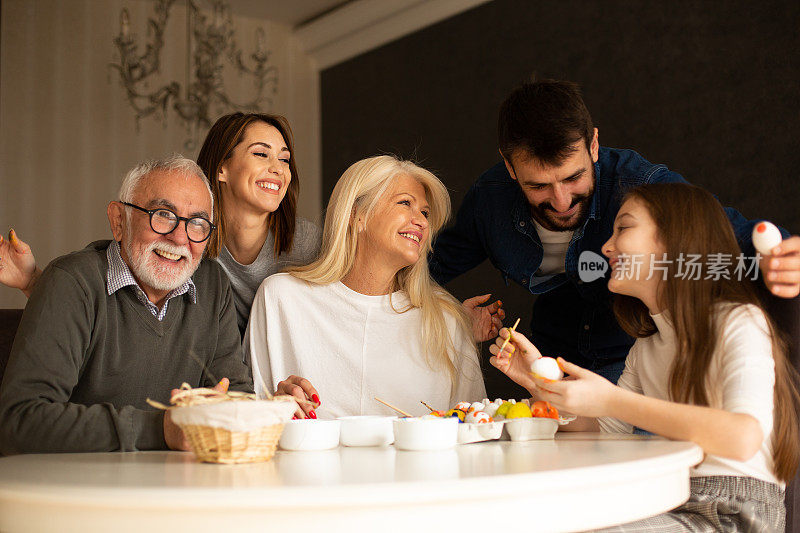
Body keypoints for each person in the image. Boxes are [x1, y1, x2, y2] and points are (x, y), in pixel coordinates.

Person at [0, 112, 502, 340]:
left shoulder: (307, 242)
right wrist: (32, 279)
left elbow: (383, 282)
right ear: (221, 167)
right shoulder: (184, 239)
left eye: (284, 159)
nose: (277, 169)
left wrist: (455, 318)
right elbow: (121, 297)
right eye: (260, 154)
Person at [430, 79, 800, 386]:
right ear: (510, 167)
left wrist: (784, 258)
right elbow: (424, 268)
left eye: (573, 177)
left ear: (593, 144)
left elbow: (730, 236)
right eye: (539, 186)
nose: (560, 201)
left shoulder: (642, 183)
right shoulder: (488, 200)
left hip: (633, 358)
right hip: (549, 363)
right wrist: (452, 321)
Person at [490, 183, 800, 531]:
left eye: (624, 228)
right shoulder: (646, 347)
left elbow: (743, 438)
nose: (606, 247)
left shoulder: (736, 320)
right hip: (670, 496)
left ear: (674, 239)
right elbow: (604, 426)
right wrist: (538, 380)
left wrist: (612, 400)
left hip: (735, 512)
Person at [0, 155, 253, 454]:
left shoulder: (213, 285)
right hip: (80, 490)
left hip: (183, 489)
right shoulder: (71, 281)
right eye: (162, 214)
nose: (179, 237)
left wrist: (279, 404)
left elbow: (236, 399)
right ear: (119, 221)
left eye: (197, 223)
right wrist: (161, 429)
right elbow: (19, 421)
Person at [246, 156, 487, 419]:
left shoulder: (446, 319)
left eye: (426, 213)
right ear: (356, 214)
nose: (422, 221)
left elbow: (476, 425)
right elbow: (247, 414)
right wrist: (273, 408)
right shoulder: (281, 298)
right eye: (405, 203)